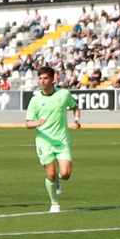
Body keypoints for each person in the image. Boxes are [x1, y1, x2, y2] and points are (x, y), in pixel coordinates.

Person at [25, 66, 80, 212]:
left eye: (46, 78)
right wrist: (36, 123)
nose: (42, 81)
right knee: (50, 174)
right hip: (44, 141)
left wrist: (77, 119)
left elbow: (75, 107)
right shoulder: (35, 100)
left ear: (53, 79)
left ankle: (57, 181)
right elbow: (27, 123)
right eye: (40, 78)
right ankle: (54, 203)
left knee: (66, 174)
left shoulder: (63, 94)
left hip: (62, 141)